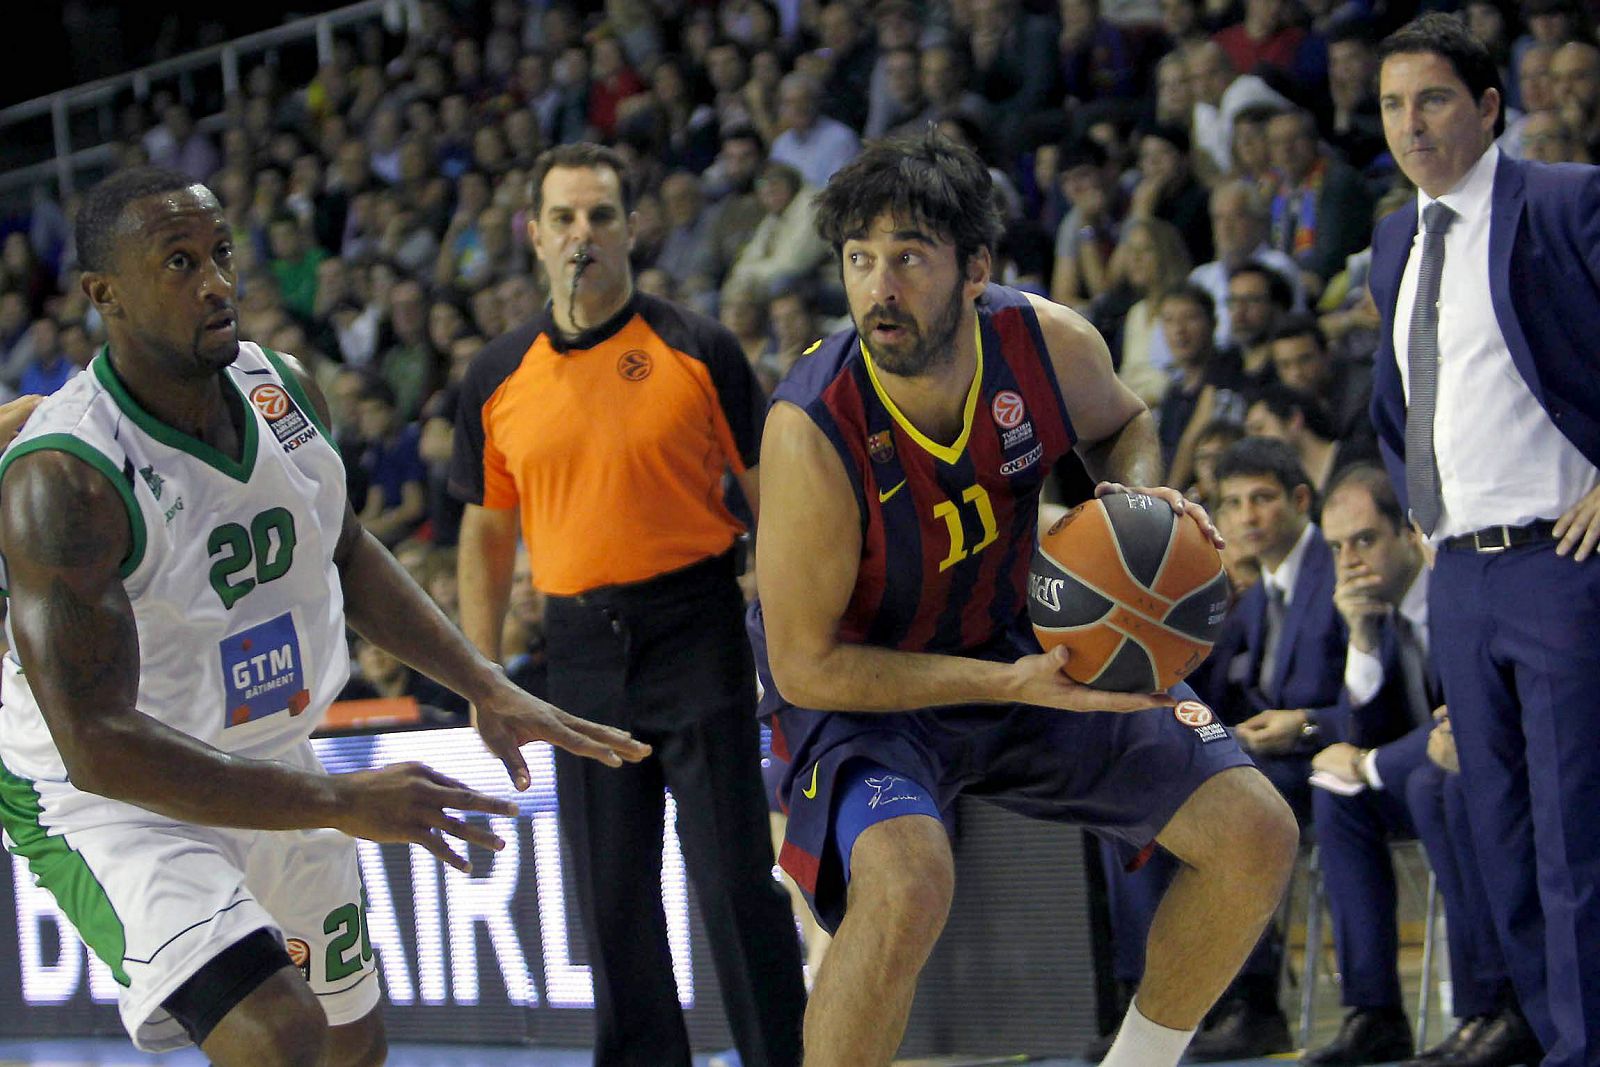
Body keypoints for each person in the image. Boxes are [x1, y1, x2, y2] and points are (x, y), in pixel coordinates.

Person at [0, 166, 648, 1065]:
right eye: (180, 263)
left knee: (354, 1043)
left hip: (261, 752)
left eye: (221, 253)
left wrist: (480, 680)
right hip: (109, 799)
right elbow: (97, 743)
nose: (217, 283)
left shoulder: (283, 387)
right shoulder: (64, 476)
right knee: (281, 1035)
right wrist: (344, 799)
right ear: (104, 294)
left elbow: (341, 546)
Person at [750, 131, 1297, 1067]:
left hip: (1024, 644)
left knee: (1256, 832)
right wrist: (1006, 686)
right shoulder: (809, 430)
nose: (880, 287)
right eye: (860, 260)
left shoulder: (1045, 343)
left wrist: (1133, 501)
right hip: (867, 696)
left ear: (975, 270)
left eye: (909, 257)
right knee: (908, 881)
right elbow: (807, 665)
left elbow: (1126, 422)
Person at [450, 143, 806, 1067]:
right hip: (576, 655)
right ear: (534, 236)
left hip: (697, 628)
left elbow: (778, 499)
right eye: (564, 218)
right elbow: (488, 536)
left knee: (733, 880)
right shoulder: (494, 376)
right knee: (612, 899)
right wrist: (482, 675)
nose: (583, 236)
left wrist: (792, 627)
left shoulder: (699, 347)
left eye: (601, 216)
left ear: (633, 229)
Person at [1370, 14, 1600, 1065]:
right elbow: (1398, 394)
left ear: (1488, 107)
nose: (1409, 125)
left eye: (1431, 100)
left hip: (1560, 563)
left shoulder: (1561, 199)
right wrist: (1418, 509)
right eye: (1389, 105)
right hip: (1456, 573)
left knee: (1571, 840)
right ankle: (1550, 1032)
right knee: (1499, 833)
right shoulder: (1390, 241)